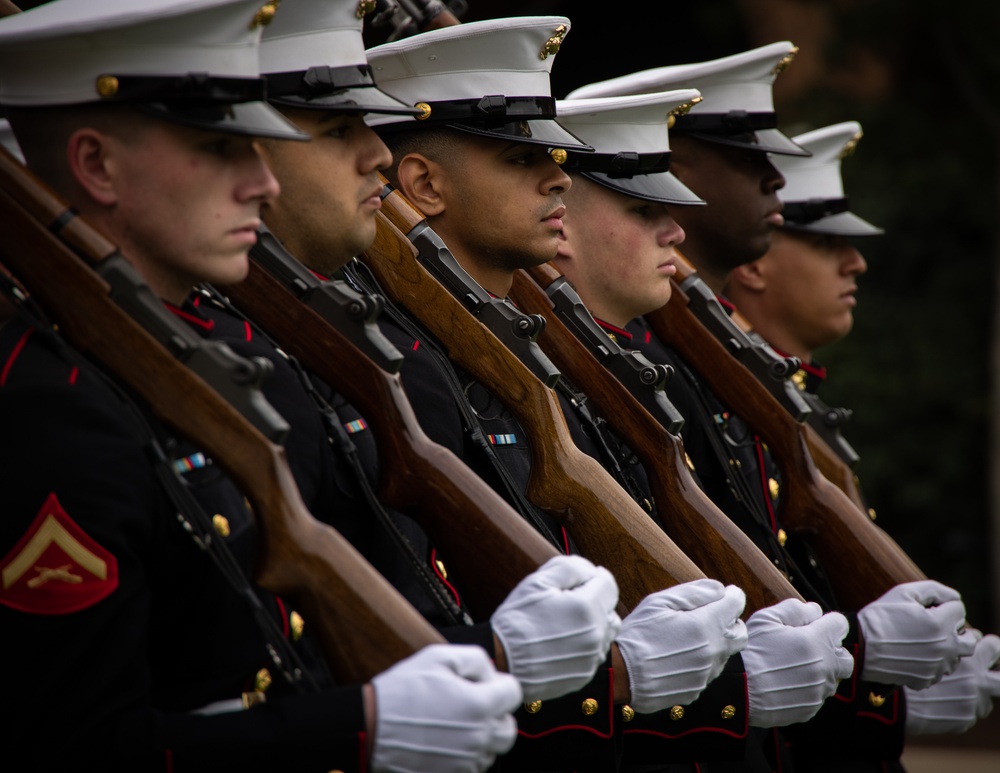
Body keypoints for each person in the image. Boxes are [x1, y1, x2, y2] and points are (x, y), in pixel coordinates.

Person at [0, 0, 523, 770]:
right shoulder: (49, 412)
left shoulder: (190, 357)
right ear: (96, 165)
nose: (260, 181)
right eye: (221, 148)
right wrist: (355, 727)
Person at [358, 17, 859, 771]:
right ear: (424, 184)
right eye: (521, 156)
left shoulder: (556, 363)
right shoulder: (414, 369)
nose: (557, 175)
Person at [559, 46, 980, 771]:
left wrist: (864, 671)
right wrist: (861, 666)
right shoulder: (637, 369)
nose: (676, 230)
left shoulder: (676, 367)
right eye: (642, 207)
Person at [723, 120, 1000, 742]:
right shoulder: (724, 400)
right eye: (825, 243)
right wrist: (879, 698)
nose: (857, 262)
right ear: (756, 263)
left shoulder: (795, 398)